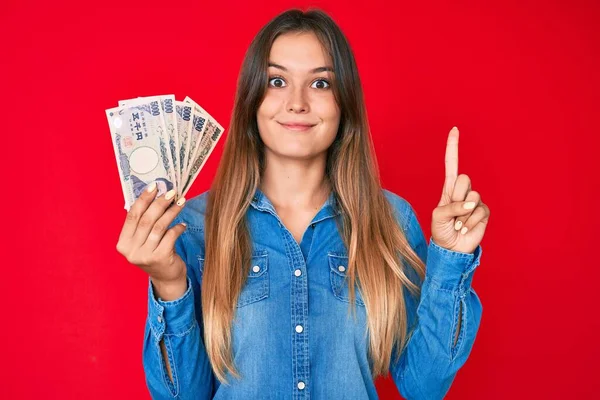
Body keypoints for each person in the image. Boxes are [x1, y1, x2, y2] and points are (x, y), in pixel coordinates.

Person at [115, 8, 490, 400]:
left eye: (320, 84)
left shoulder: (392, 221)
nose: (297, 103)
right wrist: (169, 283)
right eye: (277, 81)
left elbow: (423, 387)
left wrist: (450, 260)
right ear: (252, 100)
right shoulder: (195, 226)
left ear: (344, 103)